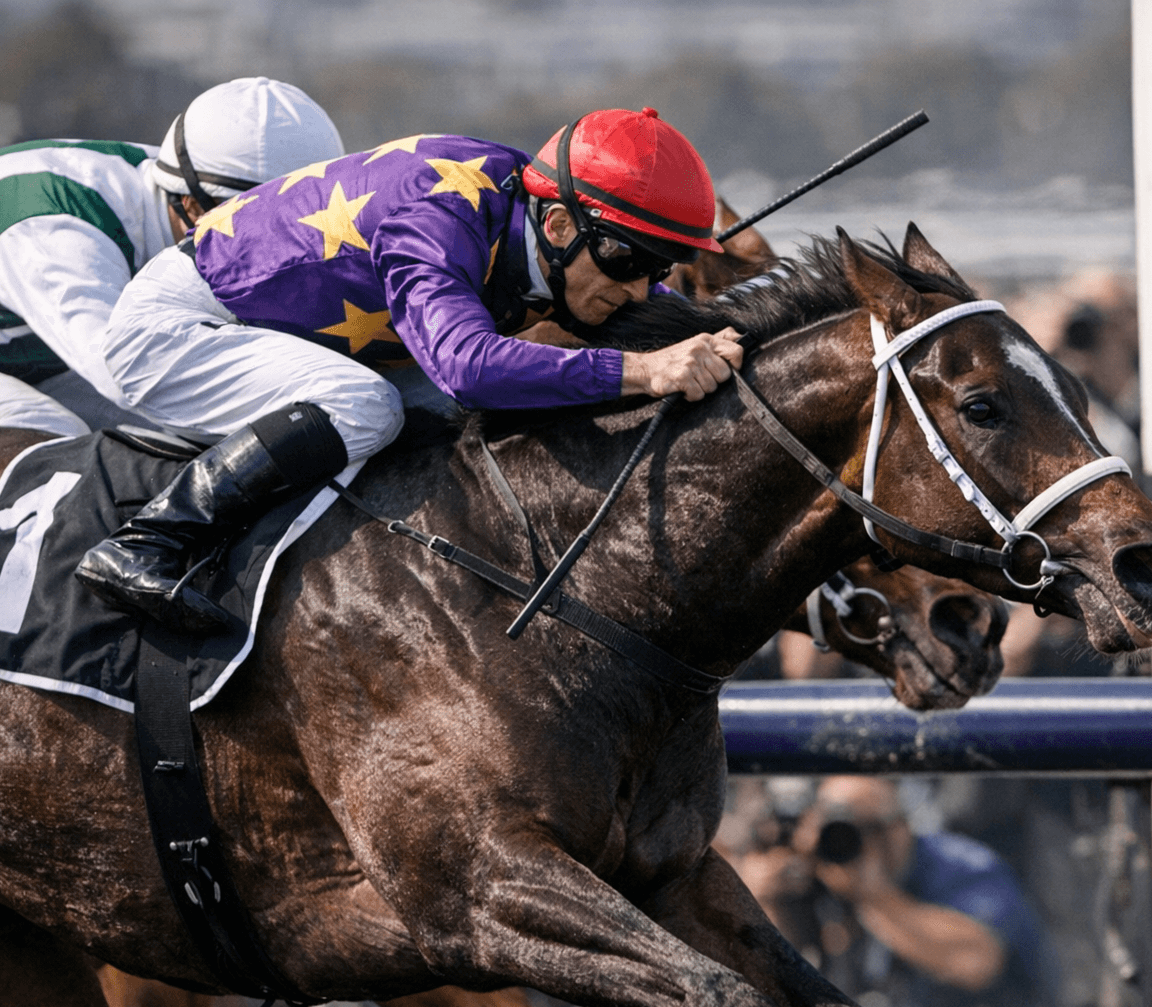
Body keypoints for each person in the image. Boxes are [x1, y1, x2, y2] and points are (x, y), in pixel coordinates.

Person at [76, 108, 745, 633]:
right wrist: (641, 370)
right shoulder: (436, 212)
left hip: (297, 338)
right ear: (561, 227)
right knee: (368, 406)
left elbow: (657, 314)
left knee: (439, 412)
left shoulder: (541, 215)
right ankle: (148, 543)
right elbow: (466, 367)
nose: (639, 288)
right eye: (629, 262)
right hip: (177, 331)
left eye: (658, 266)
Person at [0, 77, 344, 436]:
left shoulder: (192, 179)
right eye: (272, 230)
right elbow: (124, 374)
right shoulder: (58, 230)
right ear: (192, 205)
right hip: (20, 363)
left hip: (34, 360)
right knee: (49, 432)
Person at [790, 776, 1058, 1007]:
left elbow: (975, 961)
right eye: (831, 828)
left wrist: (874, 896)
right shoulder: (819, 871)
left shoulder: (963, 866)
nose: (843, 843)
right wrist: (773, 899)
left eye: (862, 828)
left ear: (899, 825)